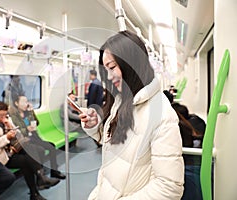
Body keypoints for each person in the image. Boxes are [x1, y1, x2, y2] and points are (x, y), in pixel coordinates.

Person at [79, 30, 184, 199]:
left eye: (112, 67)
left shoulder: (162, 115)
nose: (108, 76)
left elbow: (169, 187)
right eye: (105, 69)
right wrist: (95, 127)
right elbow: (117, 145)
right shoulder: (121, 101)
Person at [0, 101, 59, 200]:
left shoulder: (7, 120)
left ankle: (38, 184)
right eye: (0, 115)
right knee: (26, 161)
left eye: (5, 114)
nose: (3, 117)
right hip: (3, 155)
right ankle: (38, 184)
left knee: (30, 151)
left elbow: (18, 134)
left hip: (15, 149)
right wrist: (6, 138)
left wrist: (10, 126)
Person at [8, 94, 66, 180]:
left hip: (34, 138)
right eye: (23, 102)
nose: (26, 104)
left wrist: (31, 112)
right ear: (16, 103)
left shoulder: (27, 112)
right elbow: (18, 131)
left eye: (27, 101)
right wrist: (27, 129)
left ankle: (54, 171)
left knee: (51, 146)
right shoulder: (14, 117)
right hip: (25, 141)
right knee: (40, 150)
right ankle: (40, 175)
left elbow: (37, 123)